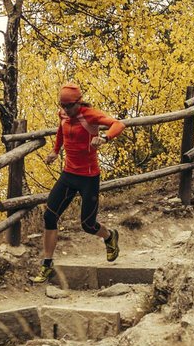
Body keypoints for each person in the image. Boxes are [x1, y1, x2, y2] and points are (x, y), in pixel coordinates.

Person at [30, 81, 125, 283]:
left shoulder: (90, 115)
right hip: (69, 174)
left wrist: (105, 138)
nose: (66, 110)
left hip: (89, 177)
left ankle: (109, 236)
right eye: (63, 106)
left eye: (69, 106)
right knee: (49, 216)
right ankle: (47, 264)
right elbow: (60, 131)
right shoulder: (63, 114)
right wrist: (55, 151)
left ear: (78, 102)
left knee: (88, 225)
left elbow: (119, 124)